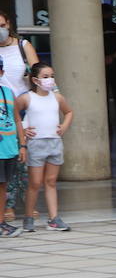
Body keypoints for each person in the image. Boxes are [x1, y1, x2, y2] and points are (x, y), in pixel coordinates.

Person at [17, 63, 73, 232]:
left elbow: (69, 112)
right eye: (46, 77)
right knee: (34, 183)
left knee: (51, 181)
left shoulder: (57, 97)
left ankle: (54, 218)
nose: (50, 80)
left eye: (52, 76)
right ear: (35, 80)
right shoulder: (26, 98)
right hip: (36, 144)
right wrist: (23, 133)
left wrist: (64, 126)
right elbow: (15, 116)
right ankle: (28, 217)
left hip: (55, 143)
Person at [0, 11, 38, 223]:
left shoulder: (23, 46)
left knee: (23, 158)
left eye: (2, 25)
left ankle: (26, 203)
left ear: (9, 24)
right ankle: (8, 205)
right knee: (6, 159)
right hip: (1, 109)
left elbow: (38, 72)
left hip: (23, 108)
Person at [0, 71, 21, 236]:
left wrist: (23, 145)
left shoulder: (8, 92)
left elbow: (17, 120)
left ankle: (1, 222)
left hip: (9, 148)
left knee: (3, 186)